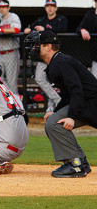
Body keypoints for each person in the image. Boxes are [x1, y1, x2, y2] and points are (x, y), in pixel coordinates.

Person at [25, 30, 96, 178]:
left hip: (90, 104)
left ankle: (75, 165)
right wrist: (57, 111)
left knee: (53, 124)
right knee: (54, 120)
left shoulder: (61, 62)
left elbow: (77, 90)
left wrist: (71, 116)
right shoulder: (57, 62)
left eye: (37, 45)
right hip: (86, 104)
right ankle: (79, 163)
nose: (34, 49)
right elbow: (67, 95)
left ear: (48, 47)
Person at [24, 0, 68, 112]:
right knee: (40, 78)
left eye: (52, 6)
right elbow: (29, 28)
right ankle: (57, 100)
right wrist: (29, 29)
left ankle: (52, 106)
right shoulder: (41, 19)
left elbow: (62, 29)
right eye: (48, 6)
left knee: (55, 81)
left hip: (56, 55)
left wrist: (45, 30)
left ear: (56, 8)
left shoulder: (61, 19)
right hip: (43, 56)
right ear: (45, 8)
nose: (50, 8)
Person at [75, 0, 97, 78]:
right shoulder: (90, 14)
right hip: (95, 56)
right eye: (96, 1)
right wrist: (82, 30)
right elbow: (79, 28)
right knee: (94, 80)